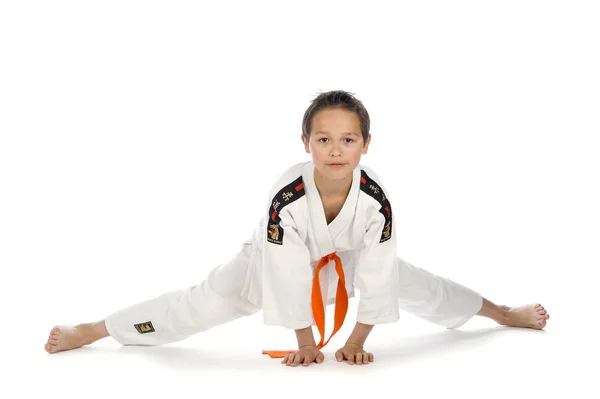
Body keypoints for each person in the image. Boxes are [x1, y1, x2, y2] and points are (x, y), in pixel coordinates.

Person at [44, 90, 550, 367]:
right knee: (195, 306)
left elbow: (377, 271)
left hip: (346, 263)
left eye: (348, 139)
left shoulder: (376, 199)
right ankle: (95, 329)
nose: (335, 150)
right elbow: (286, 274)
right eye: (324, 138)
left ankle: (502, 312)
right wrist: (306, 343)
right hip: (264, 267)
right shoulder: (287, 195)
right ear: (305, 141)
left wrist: (356, 339)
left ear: (366, 145)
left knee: (419, 284)